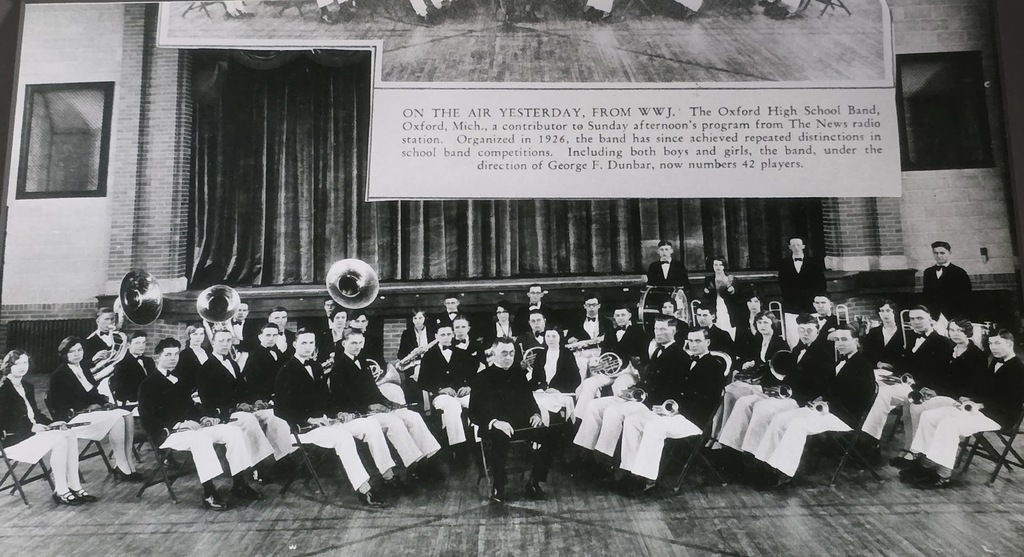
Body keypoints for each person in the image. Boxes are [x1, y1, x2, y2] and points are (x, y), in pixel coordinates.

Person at [137, 339, 264, 510]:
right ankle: (209, 492)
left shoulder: (179, 380)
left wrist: (204, 417)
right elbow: (148, 419)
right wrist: (179, 425)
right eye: (168, 354)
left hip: (193, 428)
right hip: (168, 433)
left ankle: (239, 483)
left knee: (232, 431)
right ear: (157, 357)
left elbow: (190, 407)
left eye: (176, 354)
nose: (173, 358)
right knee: (201, 440)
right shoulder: (148, 384)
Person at [273, 329, 390, 506]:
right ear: (294, 345)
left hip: (327, 423)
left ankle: (388, 475)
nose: (308, 347)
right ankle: (364, 489)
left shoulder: (317, 367)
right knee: (343, 438)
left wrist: (339, 413)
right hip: (304, 429)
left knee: (370, 425)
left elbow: (327, 399)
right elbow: (280, 409)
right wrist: (309, 419)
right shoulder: (285, 371)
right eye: (303, 343)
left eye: (311, 343)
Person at [753, 325, 876, 487]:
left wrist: (828, 404)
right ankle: (765, 464)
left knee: (797, 424)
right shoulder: (840, 360)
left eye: (845, 339)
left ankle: (784, 472)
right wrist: (820, 398)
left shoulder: (863, 365)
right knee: (780, 418)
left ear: (856, 341)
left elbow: (858, 400)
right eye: (837, 340)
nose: (840, 343)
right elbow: (833, 388)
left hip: (845, 416)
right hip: (827, 410)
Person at [899, 329, 1024, 488]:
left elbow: (1010, 402)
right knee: (929, 416)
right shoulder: (994, 362)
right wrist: (970, 399)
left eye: (997, 343)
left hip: (998, 417)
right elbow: (986, 391)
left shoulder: (1018, 370)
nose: (993, 347)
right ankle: (926, 463)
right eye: (991, 343)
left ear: (1010, 344)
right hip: (978, 410)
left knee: (949, 424)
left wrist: (981, 405)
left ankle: (943, 476)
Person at [619, 327, 726, 493]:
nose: (693, 344)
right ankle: (631, 470)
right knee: (634, 420)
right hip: (674, 413)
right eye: (690, 341)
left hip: (693, 420)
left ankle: (648, 480)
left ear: (708, 342)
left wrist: (675, 410)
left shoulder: (714, 366)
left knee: (654, 427)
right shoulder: (688, 361)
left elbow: (706, 401)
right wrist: (664, 407)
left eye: (698, 341)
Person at [328, 330, 441, 479]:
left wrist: (388, 403)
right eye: (353, 343)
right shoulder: (338, 367)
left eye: (360, 343)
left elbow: (373, 390)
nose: (357, 346)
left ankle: (431, 457)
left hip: (376, 409)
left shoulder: (361, 360)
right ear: (344, 343)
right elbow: (341, 399)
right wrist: (369, 407)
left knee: (412, 416)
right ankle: (413, 464)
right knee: (394, 423)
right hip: (361, 414)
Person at [0, 350, 98, 506]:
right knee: (59, 441)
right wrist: (32, 428)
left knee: (69, 434)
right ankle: (61, 490)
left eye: (25, 363)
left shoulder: (27, 385)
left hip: (31, 433)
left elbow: (36, 413)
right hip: (14, 439)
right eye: (17, 364)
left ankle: (75, 486)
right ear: (8, 366)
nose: (22, 367)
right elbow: (5, 421)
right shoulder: (3, 388)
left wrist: (52, 423)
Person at [887, 319, 989, 466]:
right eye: (952, 330)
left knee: (917, 408)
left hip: (959, 399)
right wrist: (931, 389)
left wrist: (939, 392)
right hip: (942, 393)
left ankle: (917, 452)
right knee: (908, 405)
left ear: (968, 332)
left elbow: (973, 386)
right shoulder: (948, 350)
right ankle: (909, 447)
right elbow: (939, 375)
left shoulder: (977, 355)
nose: (955, 334)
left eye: (960, 330)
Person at [469, 337, 553, 503]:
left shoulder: (519, 375)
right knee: (498, 439)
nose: (508, 357)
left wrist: (535, 415)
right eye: (504, 353)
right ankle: (499, 487)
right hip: (493, 425)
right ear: (493, 354)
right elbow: (474, 412)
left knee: (547, 435)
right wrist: (495, 422)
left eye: (512, 353)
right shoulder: (482, 377)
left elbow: (531, 402)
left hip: (520, 424)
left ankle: (534, 482)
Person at [47, 336, 140, 481]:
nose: (77, 354)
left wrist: (103, 403)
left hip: (92, 413)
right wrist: (90, 407)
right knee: (117, 419)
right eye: (72, 352)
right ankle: (122, 466)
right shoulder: (58, 375)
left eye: (79, 350)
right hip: (74, 418)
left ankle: (128, 463)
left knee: (126, 414)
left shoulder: (83, 368)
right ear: (65, 354)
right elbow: (61, 405)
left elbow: (94, 393)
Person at [197, 330, 292, 466]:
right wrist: (235, 407)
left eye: (228, 340)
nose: (225, 344)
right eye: (221, 341)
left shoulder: (233, 364)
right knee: (249, 420)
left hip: (243, 409)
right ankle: (259, 465)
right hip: (225, 413)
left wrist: (255, 401)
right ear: (213, 343)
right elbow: (208, 401)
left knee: (274, 415)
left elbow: (244, 389)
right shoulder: (205, 369)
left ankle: (283, 458)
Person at [418, 323, 478, 458]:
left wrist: (469, 387)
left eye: (449, 334)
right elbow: (422, 382)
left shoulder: (462, 353)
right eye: (442, 335)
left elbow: (473, 375)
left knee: (477, 402)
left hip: (461, 392)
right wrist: (441, 389)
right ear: (436, 336)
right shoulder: (429, 356)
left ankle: (480, 441)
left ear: (453, 335)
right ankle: (459, 447)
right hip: (441, 396)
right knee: (452, 406)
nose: (446, 337)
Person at [777, 237, 827, 347]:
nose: (796, 247)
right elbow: (783, 284)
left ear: (803, 246)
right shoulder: (784, 263)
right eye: (793, 245)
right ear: (789, 247)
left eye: (798, 245)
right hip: (792, 306)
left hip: (810, 305)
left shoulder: (814, 263)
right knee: (793, 335)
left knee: (813, 333)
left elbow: (821, 284)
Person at [530, 327, 581, 425]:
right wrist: (540, 388)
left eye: (554, 336)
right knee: (533, 404)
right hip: (543, 391)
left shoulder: (567, 354)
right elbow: (535, 377)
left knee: (548, 405)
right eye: (548, 336)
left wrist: (558, 390)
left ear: (559, 337)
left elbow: (576, 379)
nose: (550, 339)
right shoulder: (541, 354)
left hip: (561, 393)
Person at [921, 241, 973, 323]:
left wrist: (960, 318)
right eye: (936, 253)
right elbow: (926, 294)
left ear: (949, 253)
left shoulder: (959, 272)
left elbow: (966, 297)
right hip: (934, 316)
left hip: (953, 316)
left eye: (942, 253)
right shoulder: (928, 272)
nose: (939, 256)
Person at [242, 323, 285, 404]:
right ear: (260, 337)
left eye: (274, 335)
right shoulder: (254, 356)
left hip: (278, 397)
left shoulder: (279, 353)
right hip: (263, 399)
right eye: (268, 335)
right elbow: (251, 382)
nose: (271, 338)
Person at [736, 311, 787, 379]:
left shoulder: (780, 343)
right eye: (759, 323)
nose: (762, 325)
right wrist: (745, 364)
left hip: (772, 380)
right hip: (756, 377)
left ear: (773, 324)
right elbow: (745, 357)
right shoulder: (755, 341)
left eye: (766, 322)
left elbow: (780, 368)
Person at [110, 331, 156, 404]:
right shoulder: (122, 364)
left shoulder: (149, 361)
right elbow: (120, 393)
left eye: (143, 343)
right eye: (137, 343)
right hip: (134, 403)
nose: (142, 346)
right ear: (128, 345)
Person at [861, 299, 905, 368]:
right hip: (878, 371)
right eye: (882, 311)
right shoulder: (873, 332)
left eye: (888, 310)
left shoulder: (903, 332)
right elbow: (867, 354)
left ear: (894, 312)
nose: (885, 314)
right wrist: (878, 363)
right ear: (879, 313)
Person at [702, 255, 738, 334]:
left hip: (728, 308)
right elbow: (706, 297)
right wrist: (706, 292)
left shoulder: (731, 279)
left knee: (729, 329)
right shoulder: (709, 280)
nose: (718, 267)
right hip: (715, 307)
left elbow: (736, 297)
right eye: (715, 265)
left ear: (724, 266)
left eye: (720, 265)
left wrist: (732, 291)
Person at [176, 324, 210, 394]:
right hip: (192, 393)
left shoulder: (208, 352)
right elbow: (181, 378)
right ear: (189, 336)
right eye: (195, 334)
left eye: (201, 334)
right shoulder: (184, 354)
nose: (199, 337)